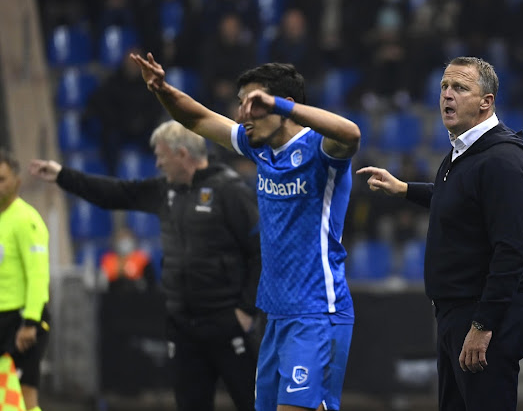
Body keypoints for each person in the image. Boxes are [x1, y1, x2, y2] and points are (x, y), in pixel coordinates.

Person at [129, 52, 361, 411]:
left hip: (317, 312)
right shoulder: (261, 149)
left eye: (253, 105)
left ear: (284, 106)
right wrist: (162, 89)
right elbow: (197, 117)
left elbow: (351, 133)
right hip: (277, 316)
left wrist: (279, 105)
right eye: (242, 105)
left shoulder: (319, 149)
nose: (243, 116)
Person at [29, 121, 261, 411]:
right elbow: (115, 193)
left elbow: (259, 252)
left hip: (227, 322)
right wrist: (63, 175)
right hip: (184, 326)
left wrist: (246, 309)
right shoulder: (165, 191)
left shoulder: (229, 190)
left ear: (181, 154)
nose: (157, 163)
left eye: (161, 155)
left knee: (253, 403)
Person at [357, 56, 523, 411]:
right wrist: (405, 189)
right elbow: (457, 196)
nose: (447, 96)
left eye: (459, 88)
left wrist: (483, 324)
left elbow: (511, 252)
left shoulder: (502, 162)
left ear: (486, 101)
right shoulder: (466, 154)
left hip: (484, 317)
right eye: (443, 87)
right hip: (458, 314)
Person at [0, 148, 50, 411]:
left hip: (22, 320)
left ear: (16, 182)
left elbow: (38, 274)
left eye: (1, 179)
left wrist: (31, 321)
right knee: (4, 398)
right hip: (1, 317)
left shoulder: (26, 220)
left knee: (25, 397)